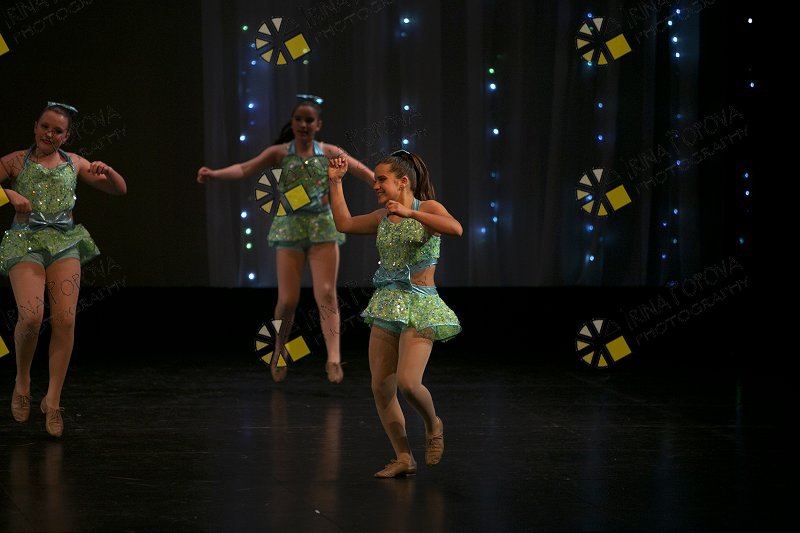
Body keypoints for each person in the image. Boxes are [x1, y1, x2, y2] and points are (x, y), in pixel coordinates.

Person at [197, 95, 374, 383]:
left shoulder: (328, 152)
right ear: (292, 123)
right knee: (288, 300)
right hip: (289, 228)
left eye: (309, 120)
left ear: (318, 125)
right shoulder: (280, 153)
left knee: (326, 293)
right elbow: (244, 168)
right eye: (298, 119)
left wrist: (383, 185)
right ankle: (279, 350)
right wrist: (214, 174)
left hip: (322, 228)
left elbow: (361, 171)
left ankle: (333, 358)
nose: (303, 125)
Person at [327, 150, 462, 478]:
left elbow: (455, 229)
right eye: (375, 180)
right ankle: (404, 457)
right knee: (381, 386)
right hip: (388, 304)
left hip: (421, 305)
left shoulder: (427, 209)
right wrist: (336, 183)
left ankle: (433, 423)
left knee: (408, 383)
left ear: (402, 182)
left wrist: (410, 213)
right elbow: (344, 223)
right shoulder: (381, 217)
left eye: (381, 179)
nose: (375, 185)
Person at [0, 102, 127, 437]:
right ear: (35, 126)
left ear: (66, 136)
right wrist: (8, 193)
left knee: (66, 320)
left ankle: (53, 401)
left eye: (57, 131)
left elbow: (119, 189)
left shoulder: (74, 163)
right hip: (25, 240)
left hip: (64, 242)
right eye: (45, 127)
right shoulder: (16, 161)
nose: (49, 134)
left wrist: (109, 171)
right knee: (31, 316)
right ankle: (22, 380)